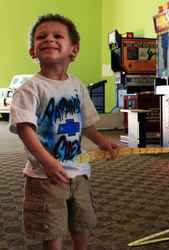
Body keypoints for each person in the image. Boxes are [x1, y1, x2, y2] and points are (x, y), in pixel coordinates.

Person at [9, 14, 119, 250]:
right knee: (52, 227)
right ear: (32, 51)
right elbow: (24, 129)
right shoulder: (30, 89)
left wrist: (102, 142)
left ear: (74, 50)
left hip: (79, 170)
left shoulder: (77, 85)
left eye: (57, 36)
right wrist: (47, 162)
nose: (49, 39)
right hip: (45, 175)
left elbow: (86, 122)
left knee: (82, 223)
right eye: (41, 37)